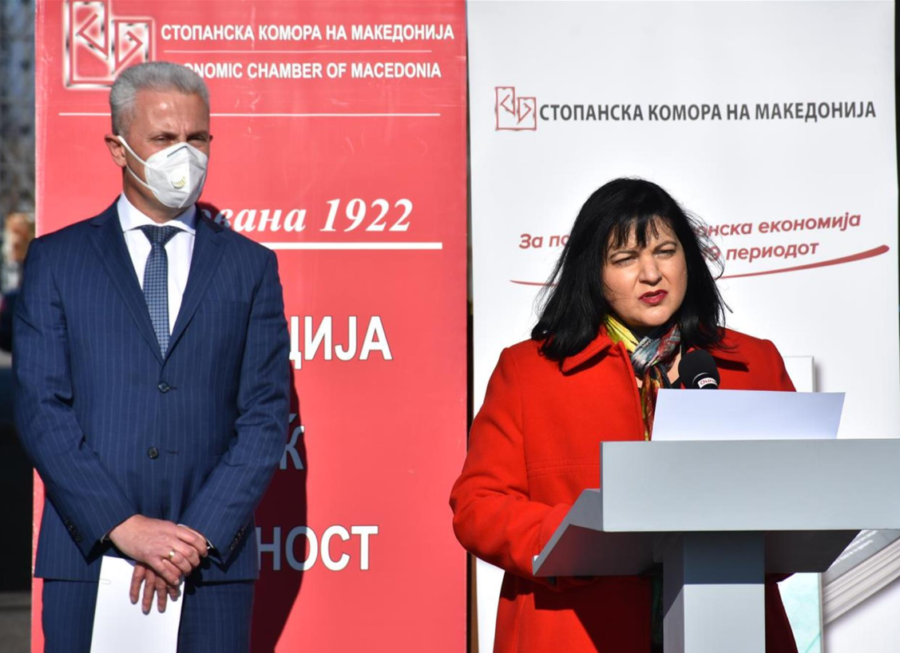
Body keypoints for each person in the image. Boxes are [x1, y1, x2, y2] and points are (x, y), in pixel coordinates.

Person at [450, 178, 798, 653]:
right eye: (625, 259)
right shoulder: (529, 372)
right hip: (577, 631)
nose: (651, 274)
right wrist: (573, 539)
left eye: (665, 251)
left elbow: (796, 502)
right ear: (592, 272)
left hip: (728, 627)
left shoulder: (755, 363)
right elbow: (478, 506)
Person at [14, 61, 289, 652]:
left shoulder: (250, 267)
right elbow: (40, 408)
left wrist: (195, 536)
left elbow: (266, 416)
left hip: (210, 568)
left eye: (197, 137)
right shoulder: (57, 261)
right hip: (89, 558)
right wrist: (125, 527)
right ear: (118, 147)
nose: (184, 154)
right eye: (164, 138)